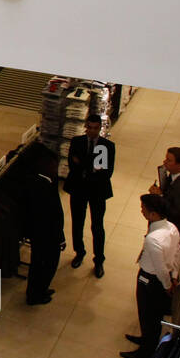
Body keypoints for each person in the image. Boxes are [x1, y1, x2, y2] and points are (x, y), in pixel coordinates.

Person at [121, 194, 180, 358]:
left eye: (143, 208)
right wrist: (174, 276)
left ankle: (146, 350)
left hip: (151, 279)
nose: (141, 210)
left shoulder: (153, 239)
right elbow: (177, 254)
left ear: (154, 214)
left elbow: (160, 268)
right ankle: (146, 338)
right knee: (153, 315)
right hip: (165, 277)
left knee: (148, 314)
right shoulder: (172, 228)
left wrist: (168, 284)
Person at [64, 113, 116, 277]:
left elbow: (106, 172)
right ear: (85, 127)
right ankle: (79, 252)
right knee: (77, 223)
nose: (92, 131)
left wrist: (84, 164)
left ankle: (99, 260)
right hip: (79, 188)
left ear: (100, 128)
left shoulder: (108, 146)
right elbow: (73, 165)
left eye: (95, 128)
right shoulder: (77, 141)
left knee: (97, 226)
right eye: (89, 128)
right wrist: (92, 166)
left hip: (97, 190)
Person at [26, 148, 65, 305]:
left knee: (39, 263)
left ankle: (39, 290)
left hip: (42, 233)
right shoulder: (41, 187)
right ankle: (36, 294)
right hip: (45, 234)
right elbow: (50, 215)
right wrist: (60, 238)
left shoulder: (45, 182)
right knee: (45, 264)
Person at [148, 146, 180, 246]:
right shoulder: (173, 175)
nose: (164, 162)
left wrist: (159, 196)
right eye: (166, 158)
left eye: (169, 160)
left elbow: (177, 213)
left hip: (171, 235)